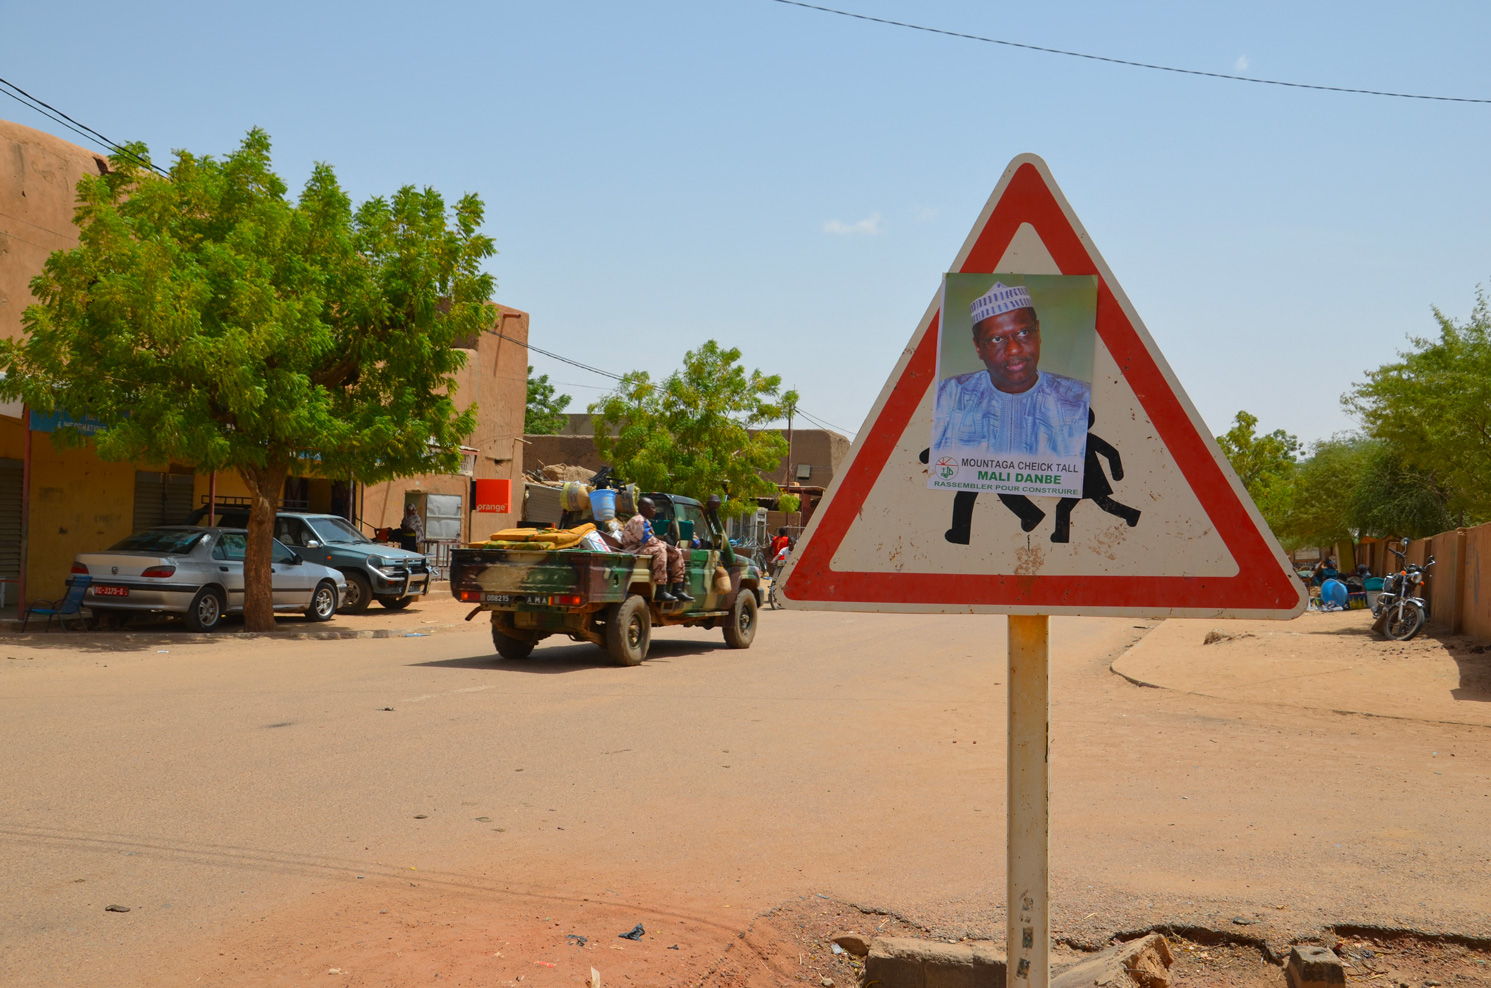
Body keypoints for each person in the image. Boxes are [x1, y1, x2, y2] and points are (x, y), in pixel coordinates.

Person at [932, 281, 1090, 458]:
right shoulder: (945, 398)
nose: (1014, 349)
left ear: (1038, 332)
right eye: (997, 339)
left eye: (1024, 333)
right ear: (978, 347)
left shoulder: (1082, 399)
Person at [620, 497, 693, 602]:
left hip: (642, 548)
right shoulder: (638, 521)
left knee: (676, 552)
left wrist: (668, 546)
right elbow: (648, 540)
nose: (655, 510)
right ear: (644, 508)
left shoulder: (644, 520)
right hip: (633, 550)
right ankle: (660, 589)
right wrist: (666, 545)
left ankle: (678, 589)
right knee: (660, 550)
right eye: (652, 508)